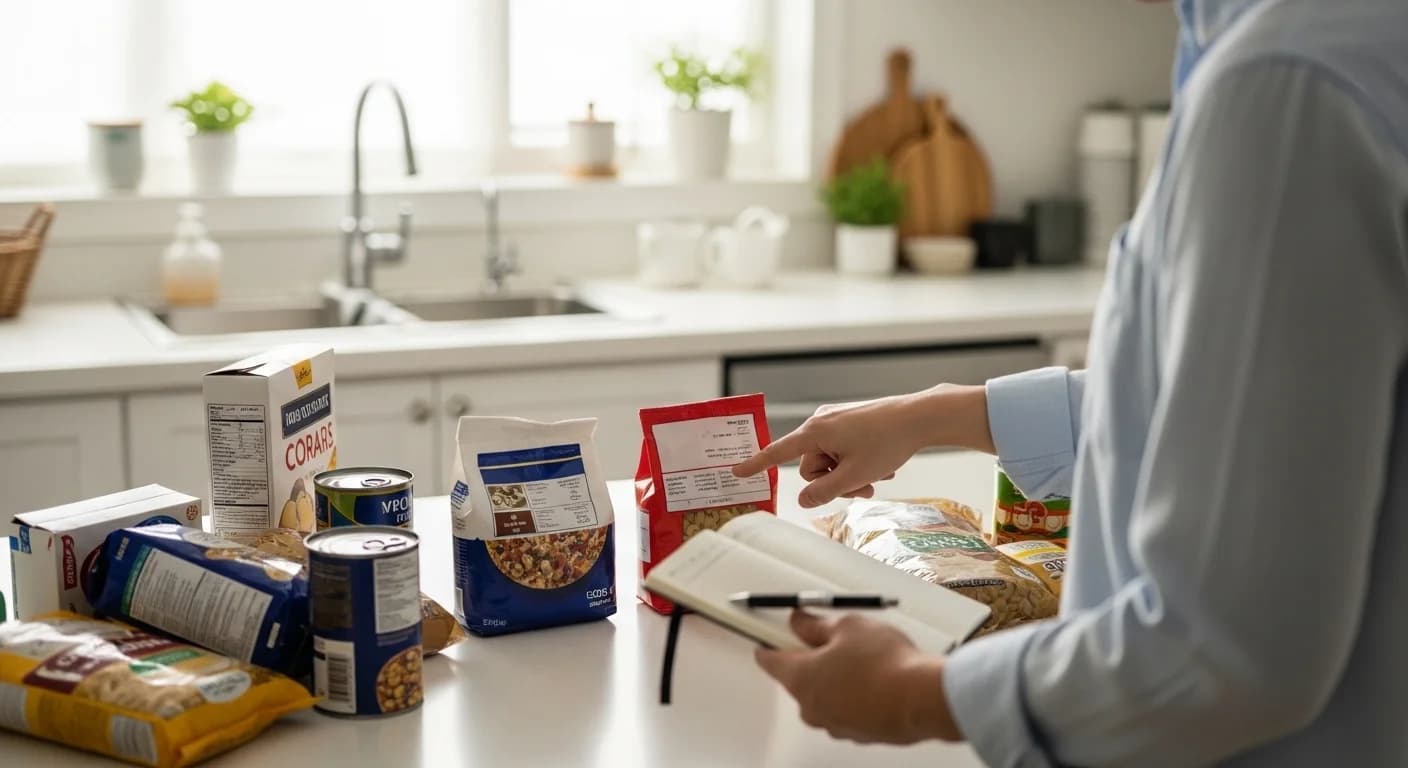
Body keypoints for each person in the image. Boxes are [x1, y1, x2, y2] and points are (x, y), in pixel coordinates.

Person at [733, 0, 1408, 764]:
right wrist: (937, 415)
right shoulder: (1322, 51)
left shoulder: (1283, 91)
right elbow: (1243, 409)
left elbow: (1222, 654)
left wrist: (914, 690)